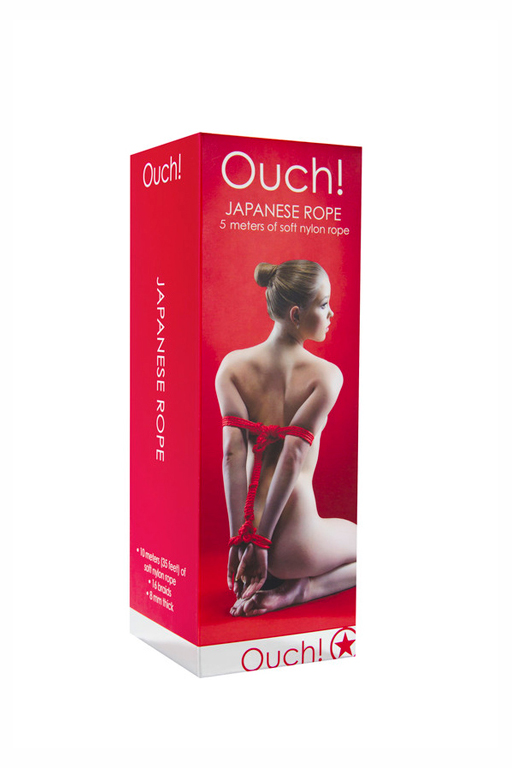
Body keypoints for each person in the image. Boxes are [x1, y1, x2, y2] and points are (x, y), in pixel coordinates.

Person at [215, 260, 356, 617]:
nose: (331, 313)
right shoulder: (326, 376)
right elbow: (293, 455)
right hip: (297, 545)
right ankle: (303, 590)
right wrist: (264, 545)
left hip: (249, 541)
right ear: (296, 314)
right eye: (323, 304)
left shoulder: (231, 367)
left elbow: (231, 455)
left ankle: (283, 581)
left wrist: (242, 541)